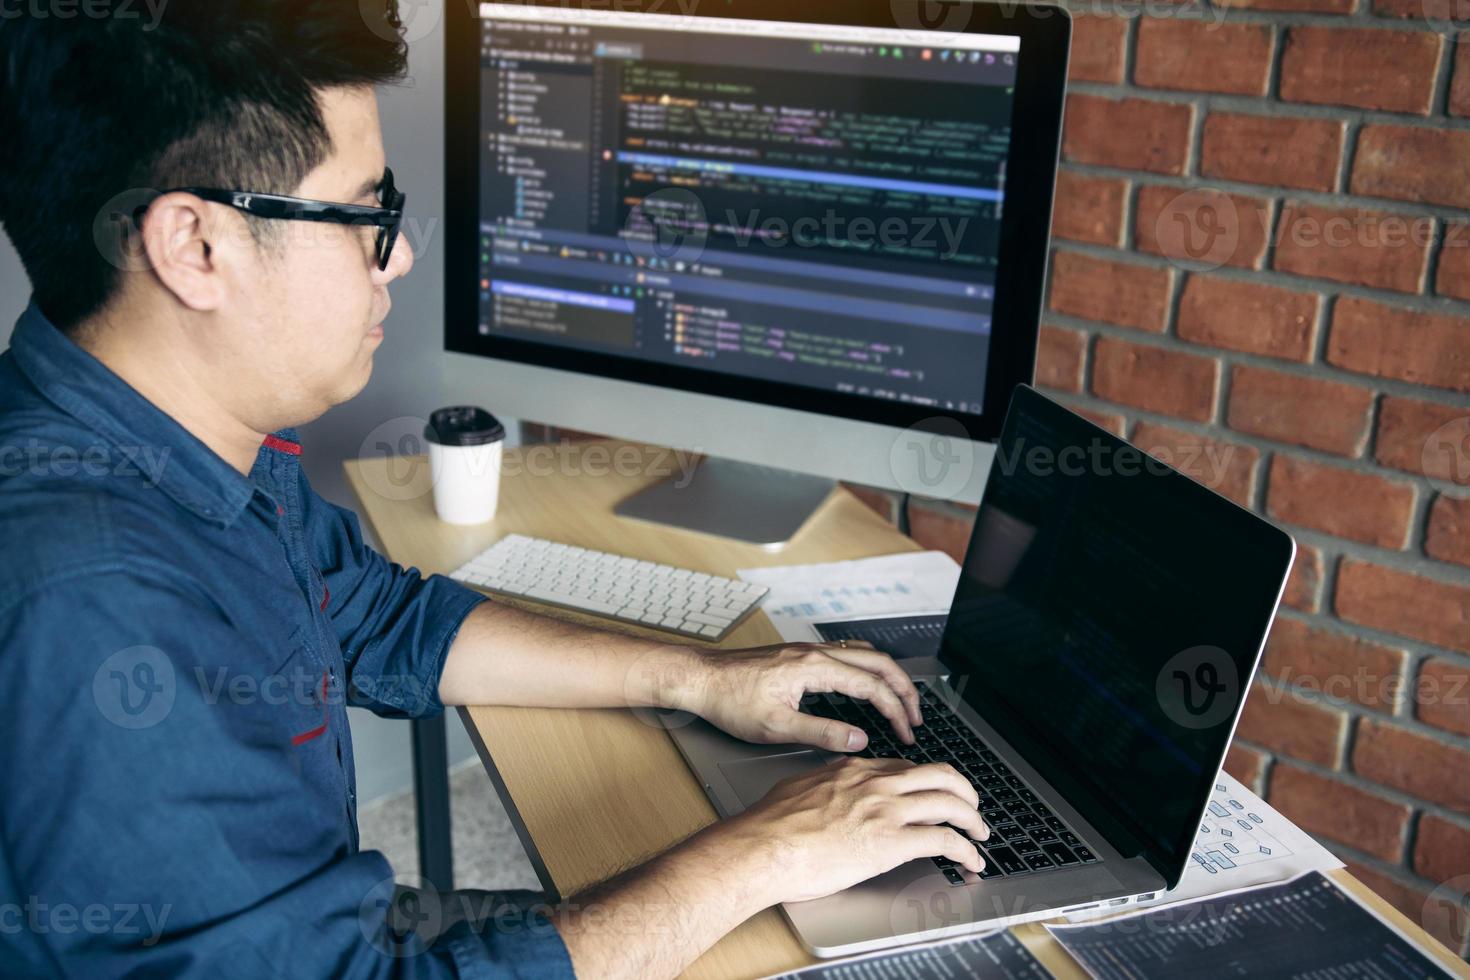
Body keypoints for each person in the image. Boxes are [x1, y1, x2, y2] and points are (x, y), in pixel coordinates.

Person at [0, 4, 986, 977]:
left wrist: (699, 677)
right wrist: (763, 848)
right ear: (194, 247)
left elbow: (376, 614)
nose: (402, 252)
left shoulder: (175, 435)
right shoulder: (94, 602)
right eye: (365, 213)